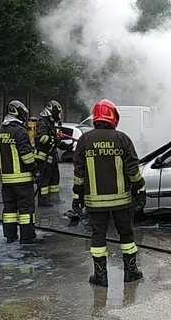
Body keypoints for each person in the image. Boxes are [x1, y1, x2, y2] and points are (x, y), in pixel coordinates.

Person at [72, 99, 146, 287]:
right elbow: (133, 170)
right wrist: (140, 189)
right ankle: (130, 272)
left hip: (95, 203)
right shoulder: (122, 139)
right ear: (113, 117)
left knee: (98, 236)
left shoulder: (84, 140)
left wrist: (76, 197)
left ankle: (100, 276)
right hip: (122, 201)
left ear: (96, 117)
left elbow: (79, 173)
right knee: (126, 235)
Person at [0, 100, 41, 244]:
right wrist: (35, 171)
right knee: (26, 209)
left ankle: (10, 236)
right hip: (22, 180)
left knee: (9, 209)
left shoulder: (1, 131)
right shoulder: (20, 131)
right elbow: (27, 156)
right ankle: (27, 237)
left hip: (6, 180)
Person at [34, 100, 63, 206]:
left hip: (52, 158)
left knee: (55, 179)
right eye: (57, 112)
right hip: (43, 158)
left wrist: (63, 144)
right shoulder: (42, 122)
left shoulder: (51, 123)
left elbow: (55, 142)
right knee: (44, 180)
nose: (59, 115)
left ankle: (54, 199)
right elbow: (41, 138)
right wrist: (52, 139)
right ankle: (43, 200)